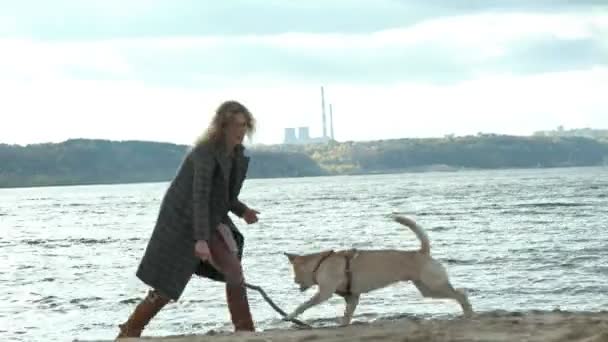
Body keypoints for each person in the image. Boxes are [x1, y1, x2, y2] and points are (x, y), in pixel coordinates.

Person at [116, 100, 260, 339]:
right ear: (222, 127)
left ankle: (245, 332)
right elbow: (200, 197)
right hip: (182, 222)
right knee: (167, 285)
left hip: (210, 220)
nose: (240, 131)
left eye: (244, 125)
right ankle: (131, 330)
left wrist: (242, 210)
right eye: (235, 125)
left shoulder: (235, 154)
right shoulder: (204, 153)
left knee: (234, 272)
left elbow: (223, 196)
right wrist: (201, 240)